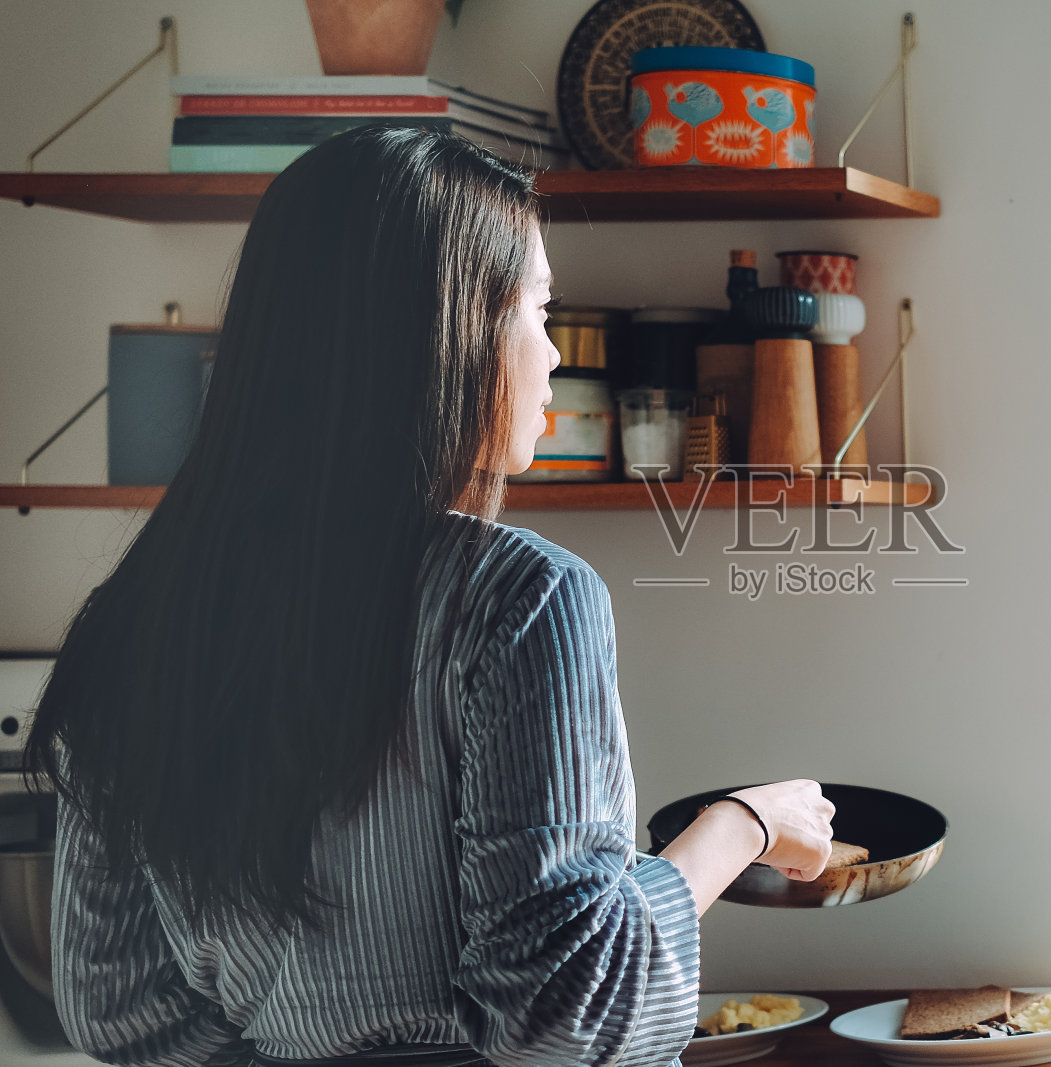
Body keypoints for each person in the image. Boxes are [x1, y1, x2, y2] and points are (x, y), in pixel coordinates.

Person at [23, 126, 836, 1067]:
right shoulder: (522, 599)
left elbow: (115, 1005)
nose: (553, 354)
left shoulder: (141, 614)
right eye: (537, 310)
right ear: (446, 331)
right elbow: (566, 1014)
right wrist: (740, 826)